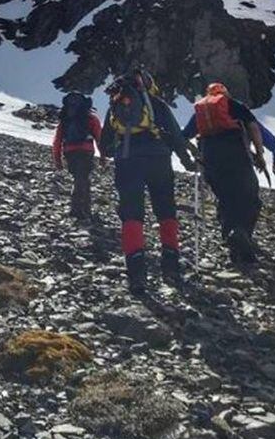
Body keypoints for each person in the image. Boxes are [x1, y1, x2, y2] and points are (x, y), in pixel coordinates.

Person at [99, 70, 196, 295]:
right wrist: (187, 161)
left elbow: (104, 145)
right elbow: (175, 136)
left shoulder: (115, 107)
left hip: (127, 163)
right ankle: (170, 266)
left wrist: (120, 149)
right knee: (166, 211)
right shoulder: (157, 104)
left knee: (132, 214)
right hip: (158, 159)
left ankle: (136, 273)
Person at [182, 82, 264, 266]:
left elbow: (183, 136)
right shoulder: (235, 106)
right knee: (250, 197)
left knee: (225, 199)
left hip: (211, 157)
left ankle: (233, 241)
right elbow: (254, 128)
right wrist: (259, 154)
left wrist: (196, 154)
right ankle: (243, 235)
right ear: (225, 93)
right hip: (237, 155)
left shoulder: (201, 112)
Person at [52, 91, 103, 220]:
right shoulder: (90, 117)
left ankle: (80, 209)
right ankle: (80, 210)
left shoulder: (65, 119)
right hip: (86, 151)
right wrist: (103, 156)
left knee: (78, 178)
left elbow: (57, 140)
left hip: (70, 152)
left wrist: (57, 160)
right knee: (83, 178)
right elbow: (99, 138)